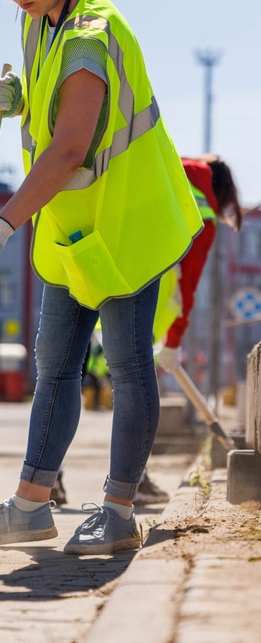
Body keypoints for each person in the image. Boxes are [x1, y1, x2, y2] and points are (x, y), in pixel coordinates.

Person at [0, 0, 203, 556]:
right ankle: (31, 505)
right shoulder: (41, 18)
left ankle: (119, 510)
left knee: (127, 367)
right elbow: (49, 108)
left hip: (125, 223)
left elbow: (68, 150)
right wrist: (15, 97)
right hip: (72, 231)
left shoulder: (93, 35)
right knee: (56, 367)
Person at [134, 154, 243, 504]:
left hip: (97, 268)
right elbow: (188, 285)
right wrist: (174, 340)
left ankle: (47, 481)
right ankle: (133, 479)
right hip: (145, 300)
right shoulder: (205, 214)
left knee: (65, 378)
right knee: (135, 393)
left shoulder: (165, 163)